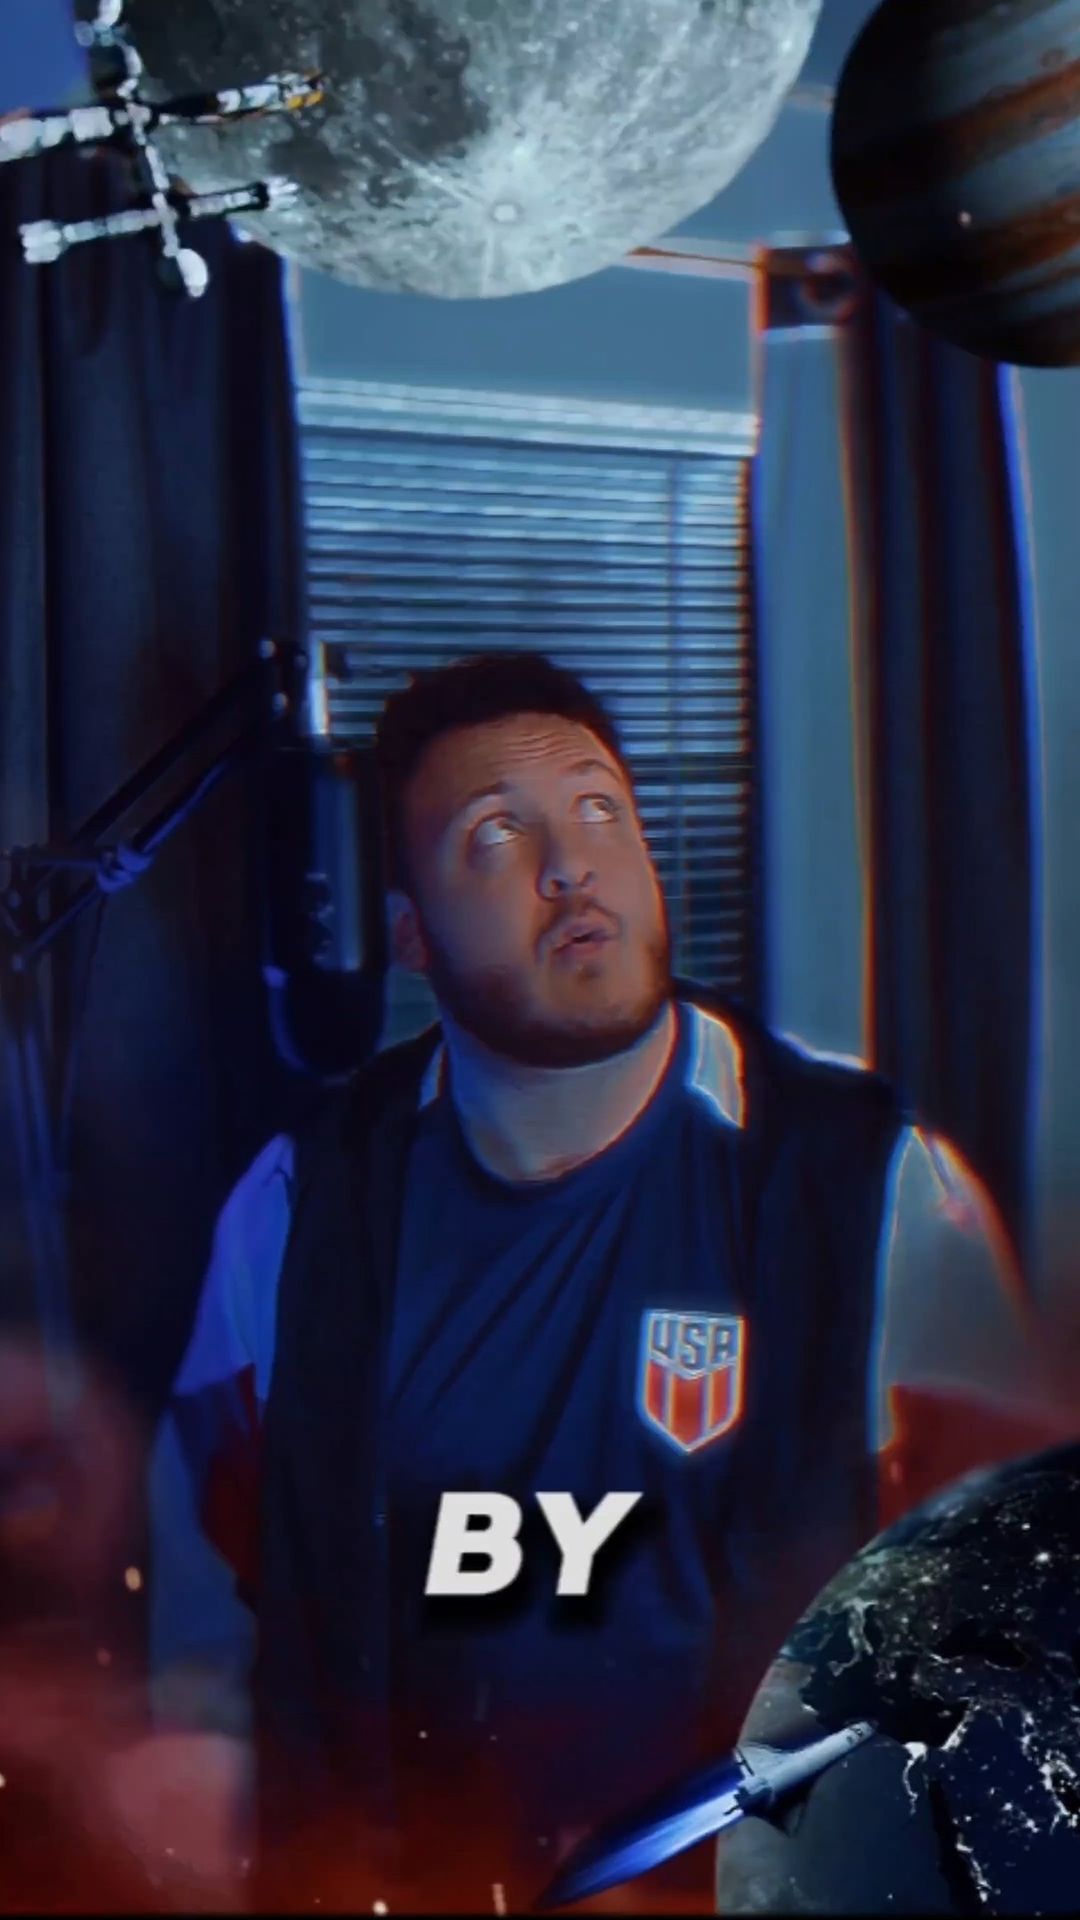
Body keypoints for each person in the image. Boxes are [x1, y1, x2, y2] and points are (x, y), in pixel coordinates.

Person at [147, 650, 1064, 1914]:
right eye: (495, 835)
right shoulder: (302, 1209)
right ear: (407, 932)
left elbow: (1013, 1642)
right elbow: (200, 1624)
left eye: (600, 813)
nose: (570, 866)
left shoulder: (873, 1191)